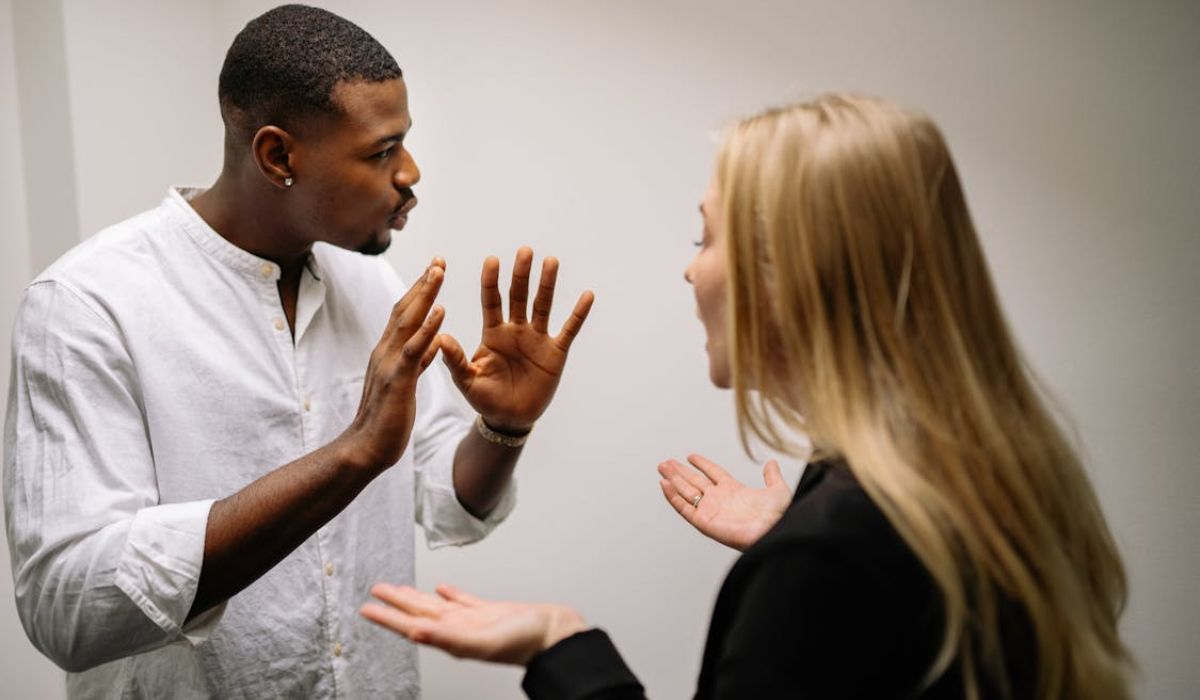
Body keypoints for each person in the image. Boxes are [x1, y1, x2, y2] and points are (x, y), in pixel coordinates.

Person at [359, 94, 1134, 699]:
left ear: (789, 273)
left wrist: (559, 644)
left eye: (705, 239)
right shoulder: (982, 474)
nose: (691, 271)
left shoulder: (830, 552)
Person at [4, 4, 593, 698]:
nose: (410, 172)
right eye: (381, 151)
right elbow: (69, 608)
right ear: (278, 156)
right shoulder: (88, 305)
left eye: (404, 143)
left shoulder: (372, 283)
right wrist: (350, 455)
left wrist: (504, 428)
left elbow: (446, 499)